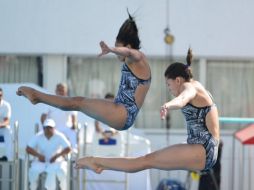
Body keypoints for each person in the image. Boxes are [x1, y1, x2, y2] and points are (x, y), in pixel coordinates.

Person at [74, 49, 220, 175]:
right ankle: (96, 161)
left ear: (178, 80)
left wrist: (168, 105)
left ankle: (96, 161)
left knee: (144, 161)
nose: (169, 89)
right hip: (201, 148)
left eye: (168, 85)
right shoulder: (196, 87)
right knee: (146, 160)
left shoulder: (189, 87)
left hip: (203, 149)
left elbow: (183, 98)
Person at [16, 11, 151, 131]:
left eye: (118, 47)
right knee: (80, 101)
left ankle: (36, 96)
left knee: (77, 102)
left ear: (127, 46)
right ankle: (37, 96)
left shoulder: (138, 59)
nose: (116, 53)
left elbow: (129, 52)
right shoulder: (133, 62)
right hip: (121, 110)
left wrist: (111, 49)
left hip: (123, 114)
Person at [26, 118, 71, 190]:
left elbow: (68, 148)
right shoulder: (38, 136)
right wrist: (39, 156)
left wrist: (56, 156)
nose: (48, 130)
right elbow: (28, 148)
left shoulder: (59, 135)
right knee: (33, 172)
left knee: (61, 172)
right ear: (43, 129)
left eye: (50, 127)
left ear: (54, 128)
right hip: (41, 162)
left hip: (56, 162)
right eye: (46, 128)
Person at [41, 83, 78, 152]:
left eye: (62, 90)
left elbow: (73, 116)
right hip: (53, 128)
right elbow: (43, 116)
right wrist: (44, 126)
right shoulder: (49, 101)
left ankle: (73, 153)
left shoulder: (70, 101)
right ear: (56, 91)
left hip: (66, 128)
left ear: (66, 91)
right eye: (59, 90)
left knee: (73, 131)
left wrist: (74, 124)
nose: (61, 92)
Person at [0, 87, 13, 161]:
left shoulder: (6, 105)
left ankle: (9, 158)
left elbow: (7, 121)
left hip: (2, 129)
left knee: (8, 131)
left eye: (0, 95)